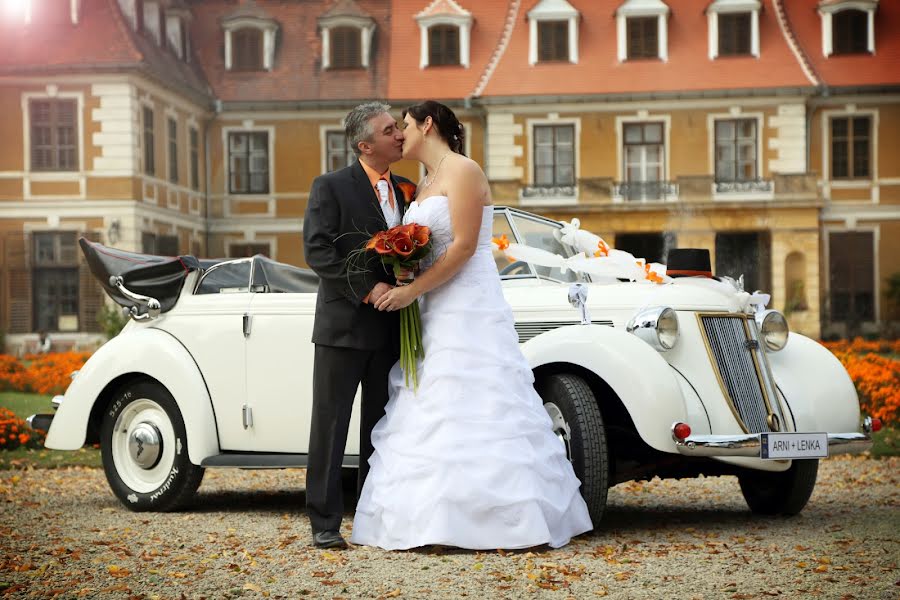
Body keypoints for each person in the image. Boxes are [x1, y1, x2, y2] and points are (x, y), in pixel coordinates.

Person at [350, 101, 593, 550]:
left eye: (404, 125)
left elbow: (462, 248)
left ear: (427, 124)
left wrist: (411, 289)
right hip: (430, 305)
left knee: (477, 402)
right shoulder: (423, 184)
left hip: (467, 305)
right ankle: (432, 522)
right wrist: (404, 273)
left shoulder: (463, 170)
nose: (400, 135)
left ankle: (505, 522)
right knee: (432, 404)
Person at [303, 102, 414, 549]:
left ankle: (371, 517)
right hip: (344, 327)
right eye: (391, 130)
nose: (400, 135)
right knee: (330, 425)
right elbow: (318, 251)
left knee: (380, 425)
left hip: (391, 329)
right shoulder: (329, 187)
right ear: (366, 145)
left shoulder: (406, 190)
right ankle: (325, 523)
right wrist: (369, 290)